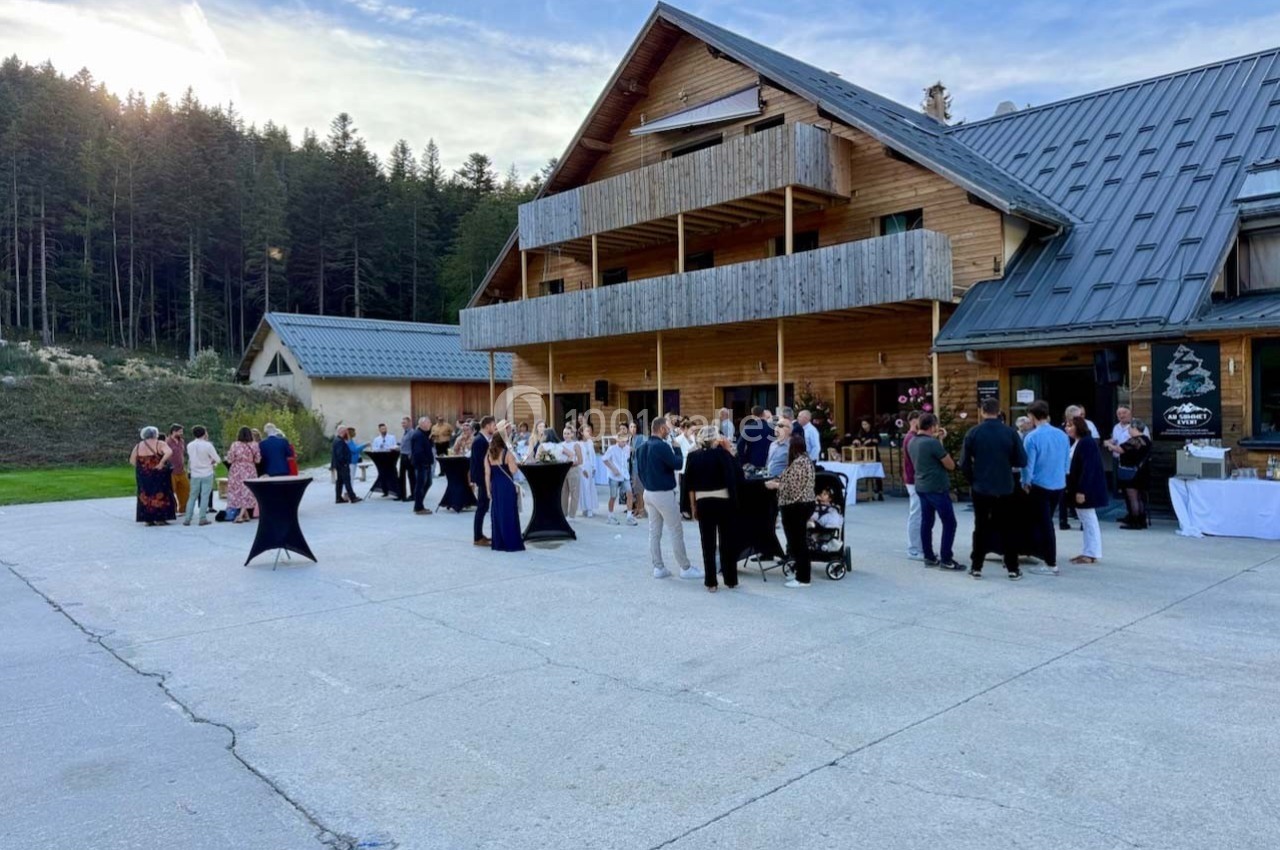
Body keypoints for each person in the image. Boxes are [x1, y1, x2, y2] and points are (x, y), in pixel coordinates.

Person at [960, 398, 1027, 580]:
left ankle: (976, 567)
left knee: (980, 526)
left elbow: (964, 463)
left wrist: (972, 480)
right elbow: (1022, 461)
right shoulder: (1010, 433)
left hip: (981, 486)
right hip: (1005, 486)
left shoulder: (973, 432)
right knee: (1008, 527)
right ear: (999, 411)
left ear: (982, 411)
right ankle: (1013, 568)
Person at [635, 417, 695, 581]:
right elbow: (677, 464)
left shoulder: (641, 447)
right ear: (661, 429)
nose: (669, 431)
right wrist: (676, 448)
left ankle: (658, 567)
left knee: (654, 532)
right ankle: (685, 567)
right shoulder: (661, 446)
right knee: (675, 531)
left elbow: (639, 471)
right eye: (667, 428)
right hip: (663, 493)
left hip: (649, 492)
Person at [684, 425, 739, 591]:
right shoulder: (723, 455)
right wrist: (730, 451)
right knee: (727, 542)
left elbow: (689, 485)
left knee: (707, 543)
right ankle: (730, 579)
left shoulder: (693, 456)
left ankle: (711, 583)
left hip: (703, 502)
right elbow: (736, 474)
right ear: (716, 439)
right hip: (723, 501)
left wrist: (693, 506)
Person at [1022, 400, 1070, 575]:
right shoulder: (1062, 434)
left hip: (1040, 485)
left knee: (1045, 524)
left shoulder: (1032, 437)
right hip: (1059, 483)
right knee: (1046, 521)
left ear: (1032, 416)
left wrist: (1025, 482)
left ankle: (1050, 563)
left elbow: (1028, 465)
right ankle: (1045, 556)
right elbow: (1067, 461)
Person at [909, 413, 960, 570]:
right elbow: (950, 465)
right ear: (932, 426)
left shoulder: (912, 441)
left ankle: (929, 556)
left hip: (921, 486)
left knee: (927, 522)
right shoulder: (932, 443)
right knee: (950, 522)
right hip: (936, 487)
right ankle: (946, 558)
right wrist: (940, 443)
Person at [767, 433, 816, 588]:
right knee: (796, 542)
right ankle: (800, 574)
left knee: (798, 542)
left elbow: (793, 489)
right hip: (800, 505)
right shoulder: (802, 460)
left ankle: (803, 578)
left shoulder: (800, 463)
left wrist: (775, 485)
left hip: (797, 506)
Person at [1066, 415, 1108, 563]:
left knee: (1089, 519)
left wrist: (1082, 490)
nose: (1067, 428)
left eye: (1070, 426)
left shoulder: (1087, 443)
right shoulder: (1077, 442)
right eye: (1066, 426)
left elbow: (1088, 468)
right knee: (1085, 519)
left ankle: (1092, 552)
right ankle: (1088, 550)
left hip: (1086, 487)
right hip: (1077, 485)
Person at [484, 431, 525, 552]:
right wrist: (517, 462)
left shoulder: (488, 454)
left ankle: (499, 543)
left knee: (497, 513)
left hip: (495, 485)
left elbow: (487, 473)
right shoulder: (508, 454)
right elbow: (513, 470)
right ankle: (511, 542)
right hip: (506, 485)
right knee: (509, 513)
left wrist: (488, 490)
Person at [130, 426, 176, 526]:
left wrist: (143, 467)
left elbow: (132, 460)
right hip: (158, 473)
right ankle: (160, 518)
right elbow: (169, 452)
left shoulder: (138, 446)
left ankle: (148, 519)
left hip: (143, 475)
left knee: (145, 495)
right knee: (160, 493)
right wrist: (161, 463)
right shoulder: (159, 443)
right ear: (156, 434)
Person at [1117, 420, 1153, 530]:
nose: (1129, 431)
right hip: (1144, 472)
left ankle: (1135, 522)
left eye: (1130, 429)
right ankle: (1142, 521)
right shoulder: (1147, 440)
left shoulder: (1136, 440)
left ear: (1134, 428)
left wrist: (1109, 444)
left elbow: (1120, 449)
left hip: (1133, 472)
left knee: (1133, 497)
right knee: (1140, 497)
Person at [182, 426, 221, 527]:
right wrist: (212, 461)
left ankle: (188, 518)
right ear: (204, 433)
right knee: (205, 496)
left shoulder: (190, 445)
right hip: (207, 472)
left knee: (192, 496)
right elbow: (217, 459)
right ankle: (202, 518)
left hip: (195, 473)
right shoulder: (208, 445)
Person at [226, 426, 262, 523]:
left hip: (236, 470)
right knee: (247, 492)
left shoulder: (235, 445)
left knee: (238, 492)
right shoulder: (254, 445)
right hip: (249, 469)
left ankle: (240, 516)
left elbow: (230, 459)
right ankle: (245, 515)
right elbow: (258, 460)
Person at [901, 411, 924, 561]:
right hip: (913, 479)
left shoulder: (913, 437)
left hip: (914, 478)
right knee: (916, 514)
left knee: (919, 514)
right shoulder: (911, 438)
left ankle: (919, 546)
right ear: (914, 421)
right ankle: (913, 548)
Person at [470, 416, 496, 546]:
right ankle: (477, 537)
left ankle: (479, 535)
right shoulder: (480, 441)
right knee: (482, 507)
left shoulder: (483, 440)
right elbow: (482, 462)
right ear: (486, 426)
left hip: (483, 477)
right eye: (493, 425)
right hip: (482, 478)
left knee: (484, 506)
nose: (494, 427)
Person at [602, 429, 636, 526]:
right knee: (613, 496)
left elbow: (627, 460)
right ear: (617, 440)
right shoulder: (612, 449)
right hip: (614, 476)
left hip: (625, 475)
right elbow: (604, 459)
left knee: (630, 493)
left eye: (625, 440)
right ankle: (610, 516)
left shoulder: (627, 448)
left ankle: (629, 516)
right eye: (622, 440)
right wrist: (613, 469)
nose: (624, 442)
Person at [411, 416, 436, 515]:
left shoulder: (424, 434)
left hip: (426, 464)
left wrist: (430, 440)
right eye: (429, 423)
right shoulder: (418, 435)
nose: (430, 424)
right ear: (423, 424)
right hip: (422, 465)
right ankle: (418, 507)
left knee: (428, 483)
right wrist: (425, 462)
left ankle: (419, 503)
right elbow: (418, 452)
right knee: (420, 485)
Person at [854, 418, 884, 499]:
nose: (864, 426)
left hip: (874, 454)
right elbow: (858, 439)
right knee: (867, 473)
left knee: (877, 474)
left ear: (869, 424)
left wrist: (870, 440)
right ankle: (870, 491)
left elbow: (878, 440)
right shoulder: (861, 432)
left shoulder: (874, 431)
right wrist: (857, 441)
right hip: (865, 454)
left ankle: (880, 491)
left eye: (865, 424)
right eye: (863, 424)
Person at [330, 427, 360, 505]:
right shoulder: (340, 441)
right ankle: (352, 497)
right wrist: (345, 463)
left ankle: (338, 498)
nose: (347, 433)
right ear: (343, 432)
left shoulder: (336, 440)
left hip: (338, 465)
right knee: (347, 481)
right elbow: (340, 454)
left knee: (339, 481)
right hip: (343, 465)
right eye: (346, 431)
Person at [166, 424, 189, 515]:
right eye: (179, 432)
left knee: (185, 489)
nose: (181, 433)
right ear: (173, 431)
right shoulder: (167, 442)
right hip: (172, 471)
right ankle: (172, 509)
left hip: (181, 470)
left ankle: (183, 509)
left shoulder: (181, 441)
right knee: (171, 490)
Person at [579, 424, 599, 518]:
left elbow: (593, 455)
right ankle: (586, 508)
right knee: (584, 488)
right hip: (583, 467)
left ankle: (590, 507)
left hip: (590, 467)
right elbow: (578, 457)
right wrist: (582, 469)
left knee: (590, 487)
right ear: (582, 432)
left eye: (590, 431)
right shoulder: (579, 444)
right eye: (587, 431)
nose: (589, 433)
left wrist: (594, 467)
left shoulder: (590, 442)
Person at [628, 422, 647, 518]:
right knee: (635, 489)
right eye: (631, 427)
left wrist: (634, 450)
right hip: (632, 466)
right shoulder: (630, 438)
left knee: (640, 489)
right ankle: (638, 508)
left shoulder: (642, 437)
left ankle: (642, 510)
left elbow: (644, 449)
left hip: (639, 467)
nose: (632, 429)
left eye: (634, 426)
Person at [398, 416, 415, 503]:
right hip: (403, 455)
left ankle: (413, 495)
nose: (403, 425)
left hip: (408, 456)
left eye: (404, 423)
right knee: (401, 476)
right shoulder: (405, 433)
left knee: (411, 476)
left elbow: (414, 445)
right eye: (402, 423)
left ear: (409, 423)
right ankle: (401, 494)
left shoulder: (412, 432)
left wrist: (411, 455)